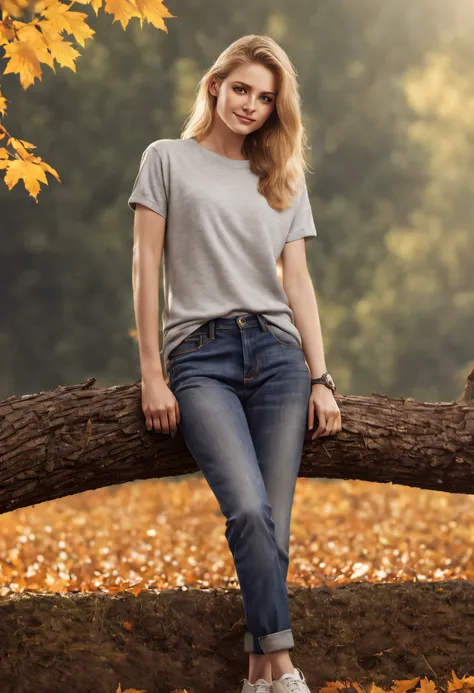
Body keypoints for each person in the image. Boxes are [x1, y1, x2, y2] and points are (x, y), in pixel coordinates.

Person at [128, 34, 342, 693]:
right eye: (242, 88)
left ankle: (258, 674)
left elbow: (298, 283)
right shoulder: (166, 159)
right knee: (249, 511)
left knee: (274, 521)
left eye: (266, 97)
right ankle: (283, 663)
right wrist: (151, 374)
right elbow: (145, 267)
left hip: (278, 357)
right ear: (215, 84)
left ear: (277, 108)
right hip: (200, 358)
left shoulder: (282, 175)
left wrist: (321, 376)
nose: (251, 104)